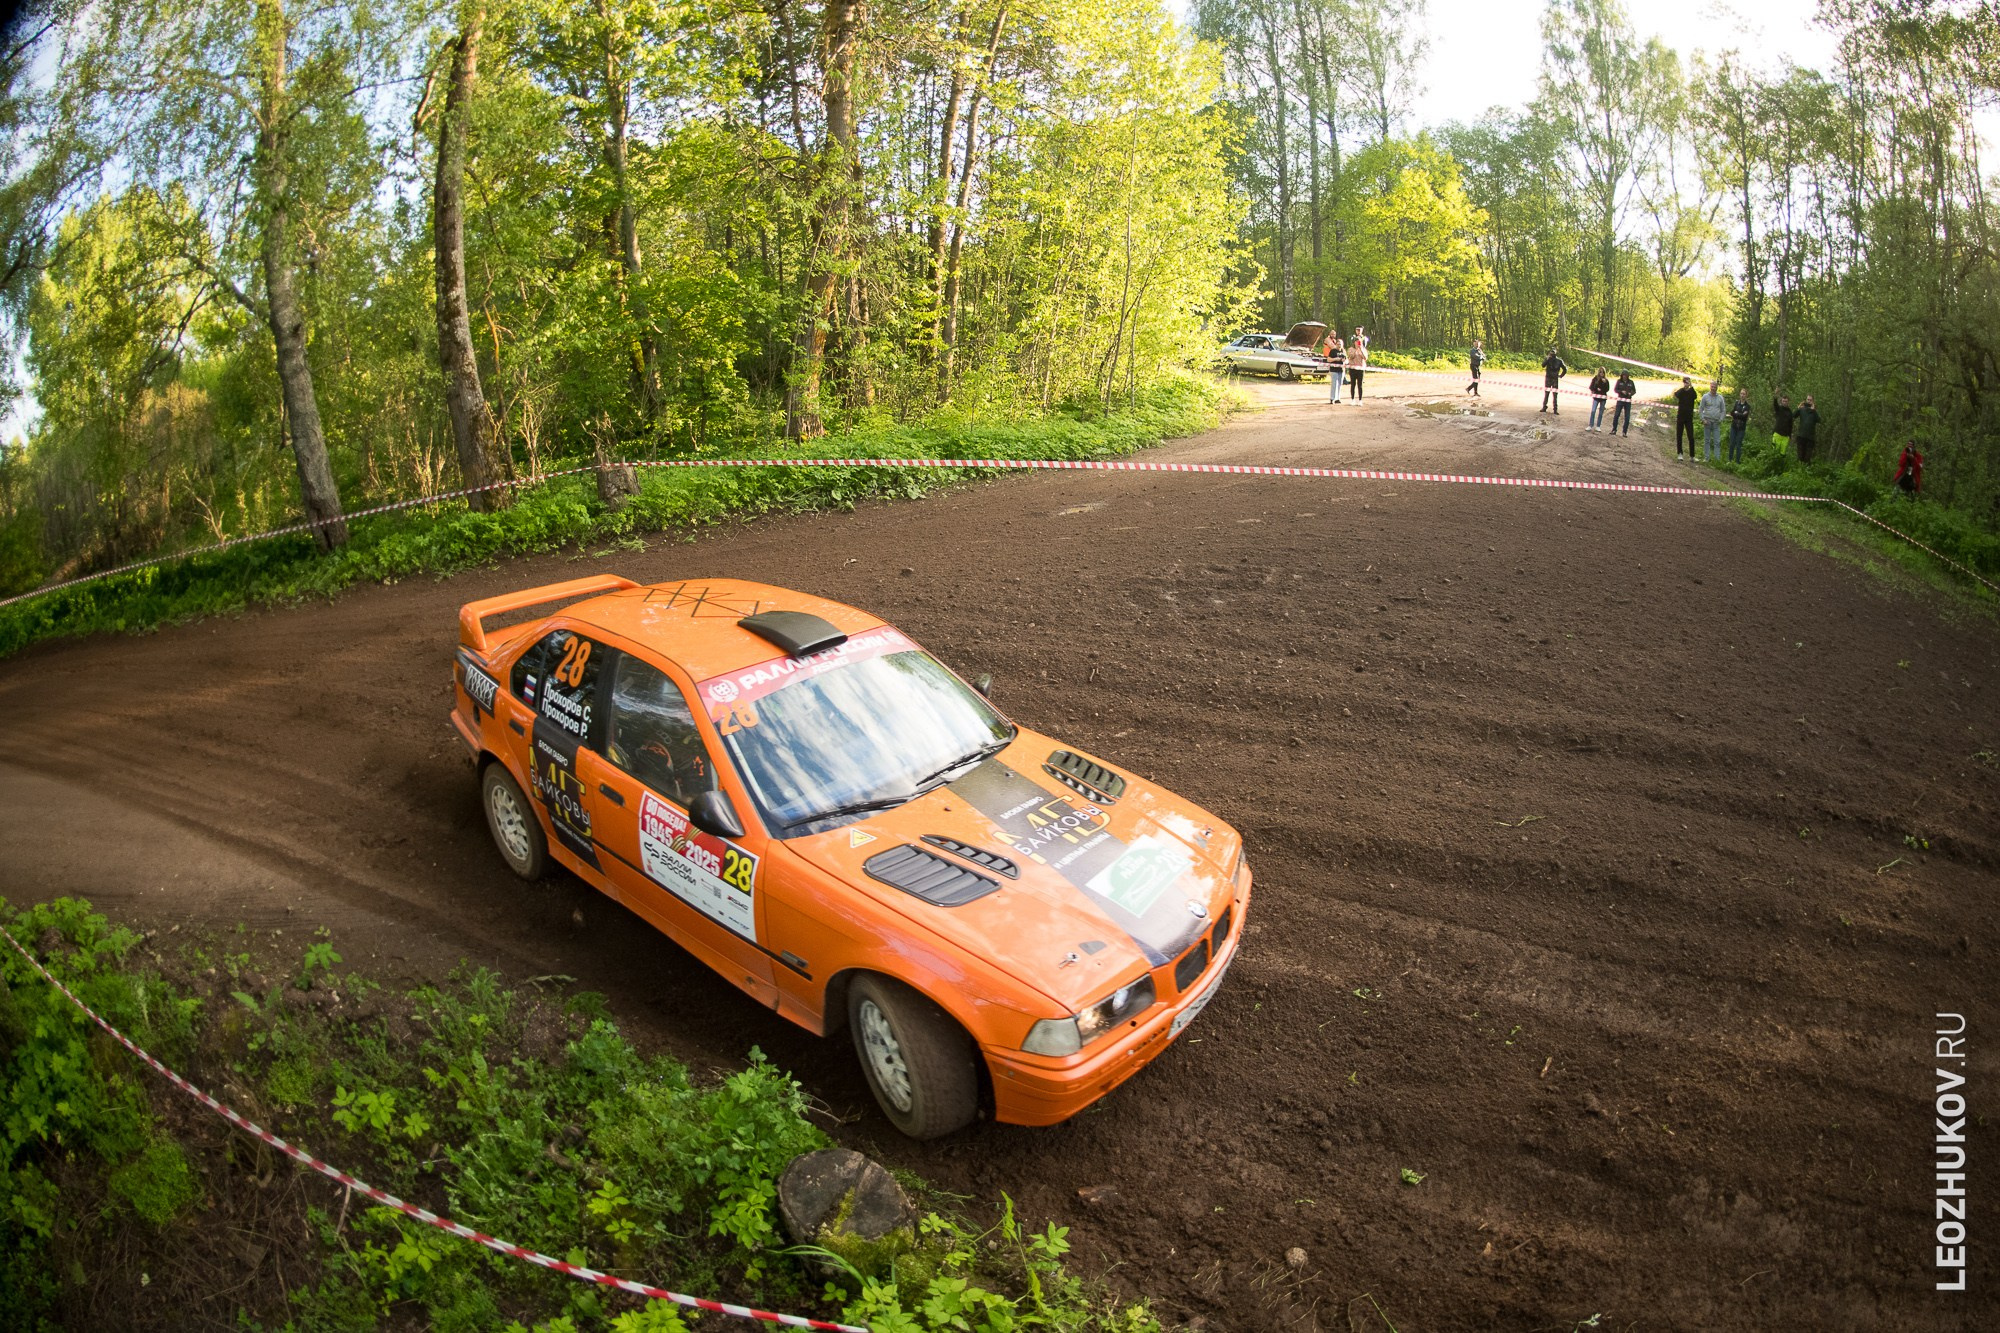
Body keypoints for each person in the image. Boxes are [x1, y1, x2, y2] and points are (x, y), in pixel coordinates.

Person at [1699, 380, 1726, 461]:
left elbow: (1723, 410)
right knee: (1707, 441)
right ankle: (1706, 458)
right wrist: (1702, 419)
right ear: (1710, 387)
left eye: (1715, 387)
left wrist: (1721, 419)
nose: (1713, 388)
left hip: (1716, 423)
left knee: (1717, 441)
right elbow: (1700, 409)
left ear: (1717, 388)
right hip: (1707, 422)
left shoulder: (1720, 398)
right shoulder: (1705, 396)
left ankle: (1717, 459)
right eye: (1712, 387)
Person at [1673, 376, 1698, 459]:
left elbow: (1695, 396)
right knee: (1679, 435)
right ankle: (1680, 453)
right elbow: (1676, 395)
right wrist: (1684, 387)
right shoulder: (1681, 391)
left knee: (1691, 436)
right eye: (1685, 382)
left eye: (1687, 382)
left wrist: (1691, 386)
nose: (1686, 383)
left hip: (1689, 418)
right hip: (1680, 416)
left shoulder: (1692, 392)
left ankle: (1692, 455)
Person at [1794, 394, 1820, 462]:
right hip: (1801, 436)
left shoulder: (1814, 412)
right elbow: (1793, 415)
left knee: (1807, 457)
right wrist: (1798, 408)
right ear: (1806, 400)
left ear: (1813, 401)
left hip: (1810, 438)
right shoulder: (1802, 409)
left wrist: (1814, 410)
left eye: (1810, 400)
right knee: (1800, 456)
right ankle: (1799, 470)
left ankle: (1805, 471)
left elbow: (1819, 420)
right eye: (1808, 399)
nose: (1809, 401)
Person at [1540, 347, 1567, 413]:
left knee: (1550, 394)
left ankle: (1549, 408)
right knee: (1552, 394)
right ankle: (1553, 409)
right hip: (1552, 378)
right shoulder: (1557, 360)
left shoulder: (1557, 360)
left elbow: (1543, 365)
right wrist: (1561, 375)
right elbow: (1565, 369)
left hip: (1551, 378)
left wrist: (1561, 375)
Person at [1727, 392, 1751, 462]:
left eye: (1744, 394)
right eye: (1741, 393)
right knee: (1732, 443)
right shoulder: (1736, 403)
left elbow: (1744, 416)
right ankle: (1730, 460)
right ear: (1739, 394)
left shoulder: (1747, 406)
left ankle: (1737, 462)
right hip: (1734, 426)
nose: (1742, 395)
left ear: (1746, 395)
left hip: (1741, 428)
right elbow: (1731, 413)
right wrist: (1738, 414)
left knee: (1738, 444)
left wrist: (1737, 413)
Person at [1611, 370, 1637, 436]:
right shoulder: (1619, 381)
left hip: (1628, 401)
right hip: (1620, 400)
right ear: (1621, 375)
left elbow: (1634, 391)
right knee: (1616, 415)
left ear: (1628, 376)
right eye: (1623, 375)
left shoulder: (1631, 382)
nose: (1624, 376)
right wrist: (1621, 391)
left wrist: (1630, 393)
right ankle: (1614, 429)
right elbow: (1615, 389)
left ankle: (1624, 432)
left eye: (1625, 375)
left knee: (1627, 417)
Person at [1324, 334, 1346, 405]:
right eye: (1338, 344)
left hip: (1341, 370)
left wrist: (1344, 361)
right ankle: (1332, 398)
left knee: (1339, 384)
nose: (1339, 345)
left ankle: (1337, 398)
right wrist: (1335, 359)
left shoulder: (1343, 351)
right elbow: (1328, 359)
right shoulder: (1333, 351)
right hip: (1334, 370)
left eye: (1340, 344)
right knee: (1334, 384)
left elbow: (1346, 359)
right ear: (1336, 344)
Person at [1586, 367, 1611, 432]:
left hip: (1603, 398)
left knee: (1601, 413)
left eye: (1602, 372)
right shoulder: (1595, 379)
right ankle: (1590, 425)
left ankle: (1598, 426)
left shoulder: (1606, 380)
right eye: (1600, 372)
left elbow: (1607, 389)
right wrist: (1596, 389)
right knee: (1593, 411)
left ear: (1604, 373)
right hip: (1596, 397)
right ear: (1598, 372)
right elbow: (1591, 387)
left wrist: (1604, 384)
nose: (1601, 373)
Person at [1348, 335, 1368, 402]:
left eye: (1359, 342)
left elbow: (1365, 358)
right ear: (1354, 342)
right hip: (1352, 369)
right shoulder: (1351, 349)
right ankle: (1352, 399)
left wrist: (1361, 350)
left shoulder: (1363, 349)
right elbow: (1351, 356)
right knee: (1353, 384)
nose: (1358, 343)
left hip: (1361, 369)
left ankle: (1360, 400)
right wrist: (1356, 350)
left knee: (1360, 385)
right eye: (1357, 342)